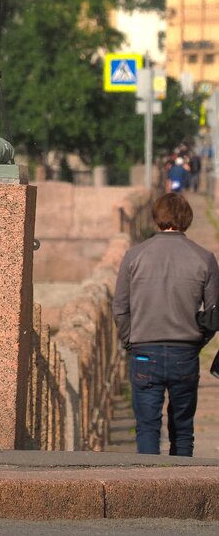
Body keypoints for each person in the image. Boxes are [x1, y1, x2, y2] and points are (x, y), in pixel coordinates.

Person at [112, 192, 219, 456]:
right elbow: (214, 314)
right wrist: (197, 340)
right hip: (185, 352)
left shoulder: (134, 256)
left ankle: (148, 486)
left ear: (156, 218)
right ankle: (183, 486)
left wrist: (130, 341)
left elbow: (120, 308)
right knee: (183, 429)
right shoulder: (204, 258)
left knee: (147, 427)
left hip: (144, 352)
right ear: (187, 219)